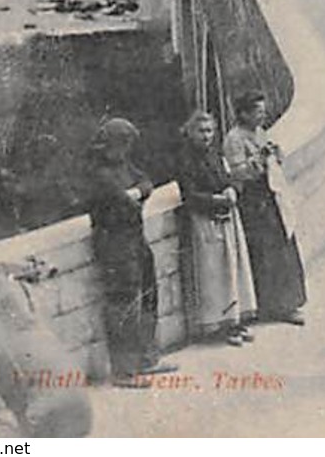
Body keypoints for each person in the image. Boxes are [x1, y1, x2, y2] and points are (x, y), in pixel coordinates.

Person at [84, 118, 177, 386]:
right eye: (123, 143)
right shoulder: (98, 172)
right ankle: (124, 372)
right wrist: (136, 194)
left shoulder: (122, 165)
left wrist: (136, 192)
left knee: (148, 295)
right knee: (122, 302)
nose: (126, 149)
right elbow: (121, 202)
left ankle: (146, 359)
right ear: (110, 144)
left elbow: (146, 182)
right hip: (113, 243)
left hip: (134, 238)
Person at [224, 93, 307, 326]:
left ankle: (288, 303)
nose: (262, 115)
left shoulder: (259, 132)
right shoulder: (234, 139)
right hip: (254, 200)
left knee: (283, 246)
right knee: (265, 253)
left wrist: (275, 154)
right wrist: (258, 160)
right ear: (243, 114)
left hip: (271, 196)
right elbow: (236, 172)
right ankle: (272, 306)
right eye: (257, 111)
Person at [177, 112, 257, 346]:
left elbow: (227, 176)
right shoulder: (185, 159)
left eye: (210, 131)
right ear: (190, 133)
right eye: (201, 131)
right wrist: (216, 199)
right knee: (214, 275)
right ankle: (219, 326)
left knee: (233, 268)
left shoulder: (214, 154)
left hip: (227, 215)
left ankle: (235, 319)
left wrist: (232, 188)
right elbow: (189, 195)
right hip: (205, 221)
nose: (206, 136)